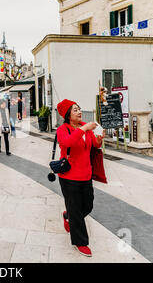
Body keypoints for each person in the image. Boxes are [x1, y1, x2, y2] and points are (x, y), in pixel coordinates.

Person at [56, 99, 104, 258]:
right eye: (75, 110)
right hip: (69, 176)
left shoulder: (86, 128)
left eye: (79, 109)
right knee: (76, 210)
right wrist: (84, 128)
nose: (79, 112)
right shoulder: (63, 129)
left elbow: (92, 145)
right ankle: (80, 242)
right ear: (68, 114)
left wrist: (98, 141)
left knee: (88, 205)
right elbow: (66, 142)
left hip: (86, 175)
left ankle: (68, 215)